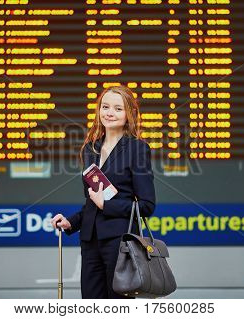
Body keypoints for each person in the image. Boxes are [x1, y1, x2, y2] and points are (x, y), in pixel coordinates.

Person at [51, 85, 156, 299]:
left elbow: (146, 205)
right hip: (90, 242)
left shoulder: (137, 148)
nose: (109, 112)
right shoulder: (91, 149)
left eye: (118, 108)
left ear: (129, 114)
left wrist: (107, 205)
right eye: (105, 106)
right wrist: (71, 222)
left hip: (120, 242)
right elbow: (92, 201)